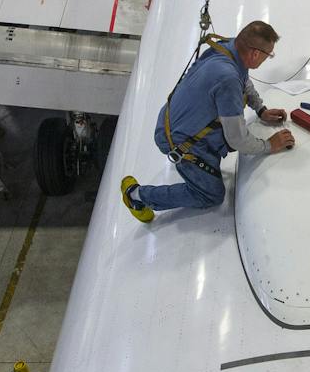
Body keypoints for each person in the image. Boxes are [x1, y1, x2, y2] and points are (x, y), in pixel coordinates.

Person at [120, 21, 294, 223]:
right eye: (269, 55)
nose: (267, 59)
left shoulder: (229, 47)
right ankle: (137, 196)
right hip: (179, 142)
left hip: (172, 120)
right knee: (211, 194)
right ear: (255, 54)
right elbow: (237, 139)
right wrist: (269, 145)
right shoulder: (227, 78)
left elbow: (243, 79)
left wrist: (261, 109)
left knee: (232, 131)